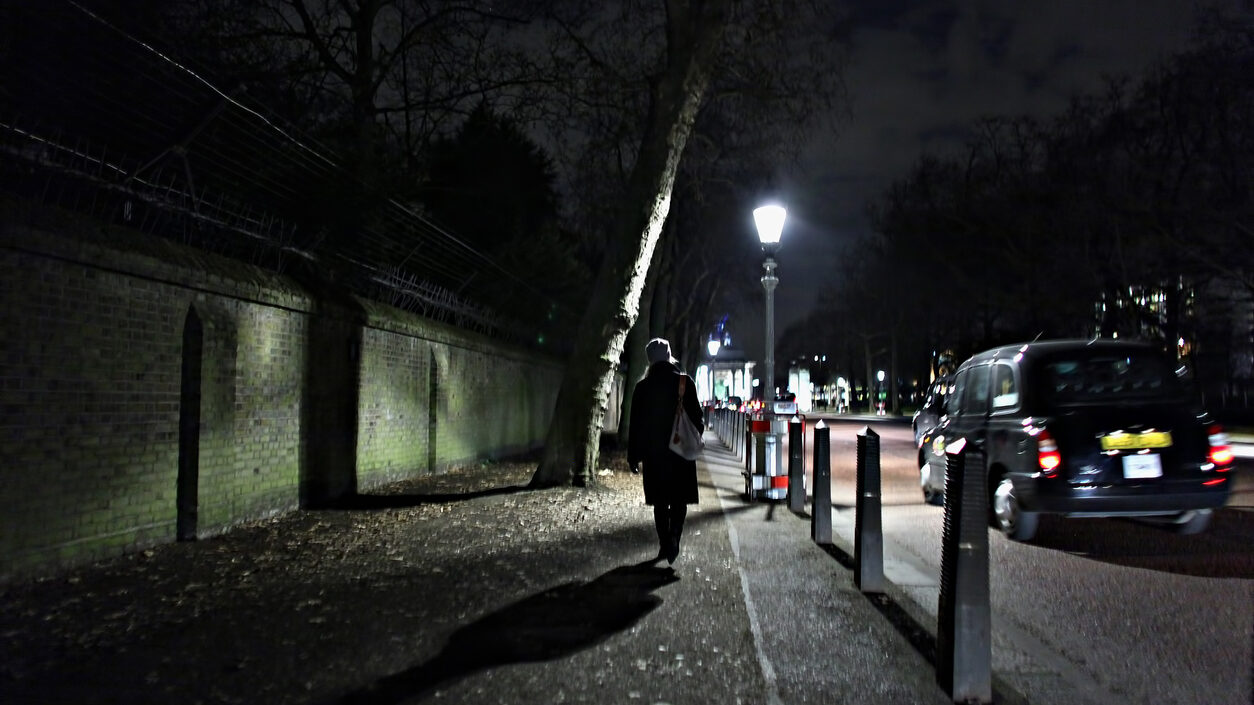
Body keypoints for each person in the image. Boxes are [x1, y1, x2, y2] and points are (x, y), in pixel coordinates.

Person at [628, 337, 704, 566]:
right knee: (679, 499)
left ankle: (664, 542)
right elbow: (698, 420)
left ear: (650, 360)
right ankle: (675, 536)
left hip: (655, 455)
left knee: (660, 501)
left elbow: (636, 426)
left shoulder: (642, 387)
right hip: (679, 451)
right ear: (670, 356)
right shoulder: (684, 382)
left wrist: (634, 455)